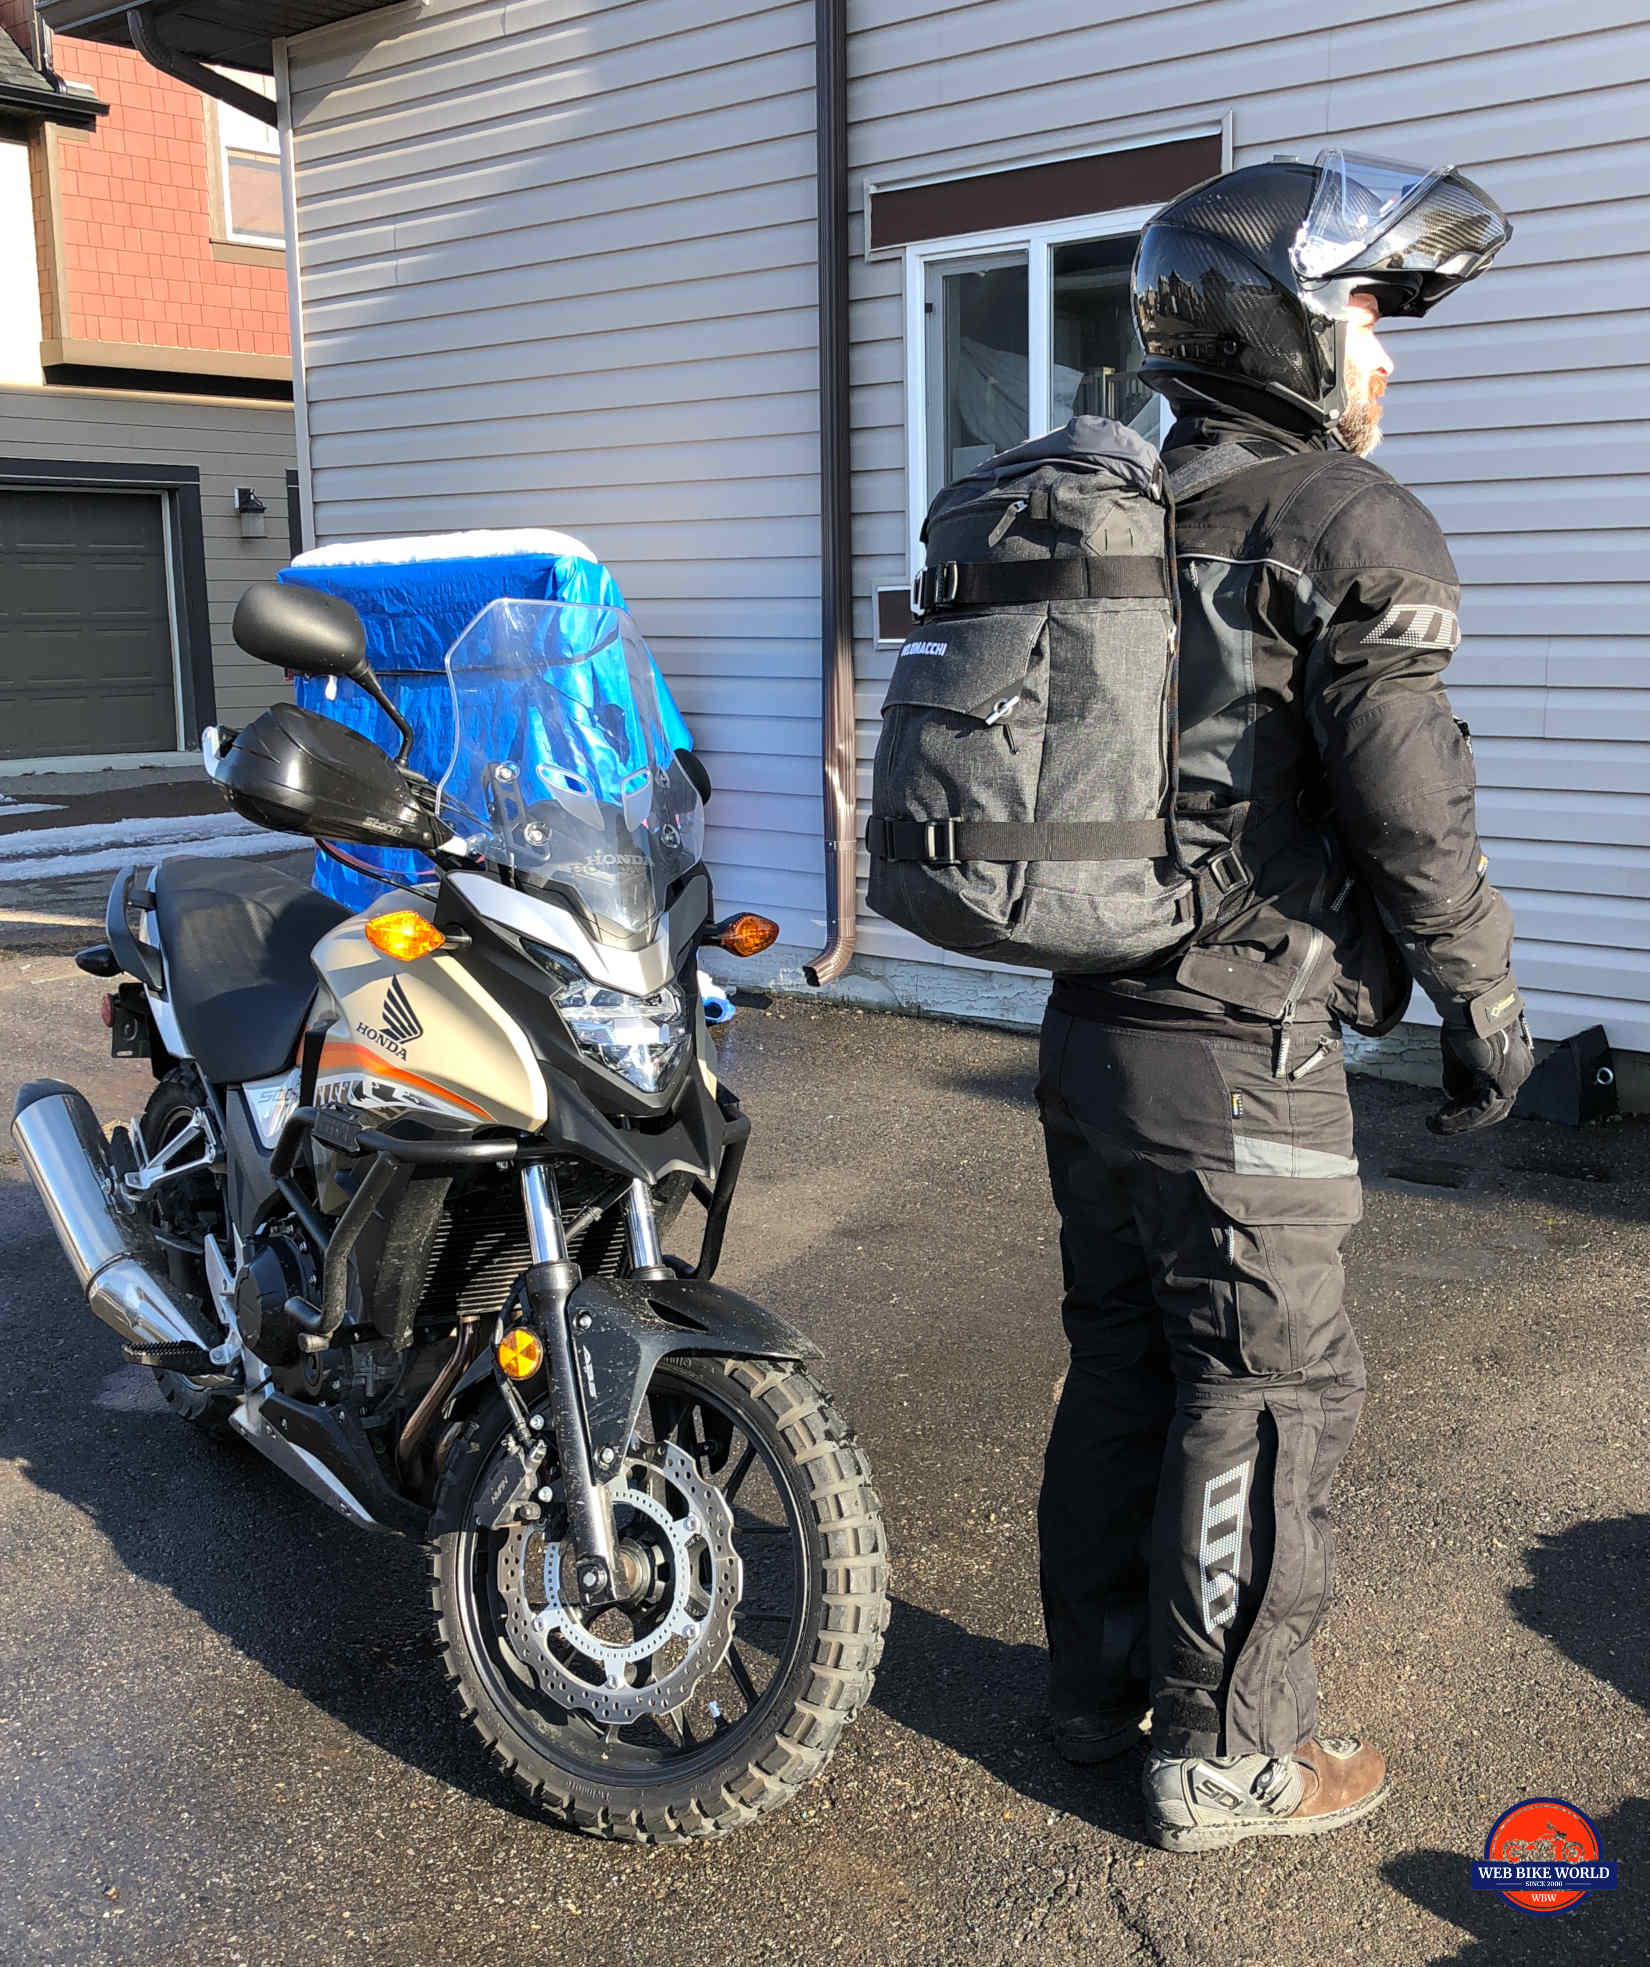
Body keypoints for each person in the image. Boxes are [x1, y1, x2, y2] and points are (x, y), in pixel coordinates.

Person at [1035, 151, 1534, 1852]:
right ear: (1284, 325)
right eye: (1370, 314)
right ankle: (1235, 1755)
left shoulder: (1124, 506)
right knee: (1267, 1389)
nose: (1384, 353)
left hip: (1090, 1029)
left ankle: (1098, 1692)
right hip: (1241, 1046)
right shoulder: (1341, 517)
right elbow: (1411, 806)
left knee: (1126, 1362)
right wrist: (1481, 998)